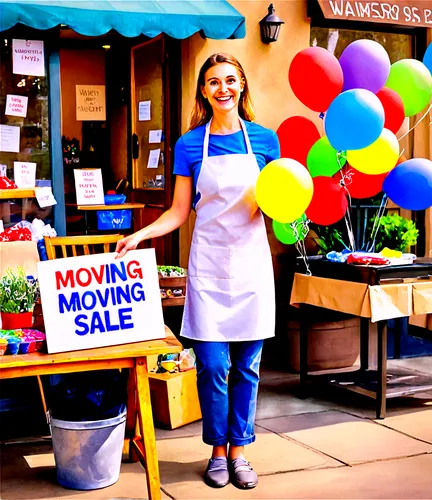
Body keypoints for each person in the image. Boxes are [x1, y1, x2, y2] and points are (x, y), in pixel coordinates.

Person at [116, 53, 280, 490]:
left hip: (252, 266)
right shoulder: (189, 145)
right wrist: (141, 234)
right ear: (204, 92)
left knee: (247, 367)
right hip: (207, 265)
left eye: (230, 80)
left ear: (241, 85)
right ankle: (216, 451)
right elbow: (178, 211)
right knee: (211, 364)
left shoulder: (265, 141)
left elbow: (279, 205)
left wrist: (298, 215)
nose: (222, 88)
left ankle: (240, 451)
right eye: (213, 82)